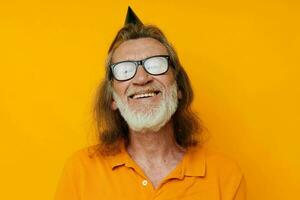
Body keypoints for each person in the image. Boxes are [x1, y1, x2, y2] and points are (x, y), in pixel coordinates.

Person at [55, 7, 246, 200]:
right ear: (112, 98)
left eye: (155, 65)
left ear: (179, 87)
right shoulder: (80, 171)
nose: (142, 78)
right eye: (125, 70)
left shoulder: (224, 175)